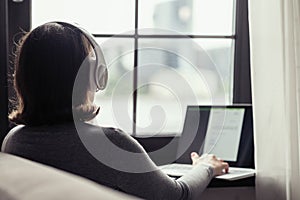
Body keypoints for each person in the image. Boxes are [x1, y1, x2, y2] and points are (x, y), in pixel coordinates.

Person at [1, 22, 229, 200]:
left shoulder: (14, 141)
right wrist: (206, 167)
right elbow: (176, 195)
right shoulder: (110, 143)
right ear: (92, 76)